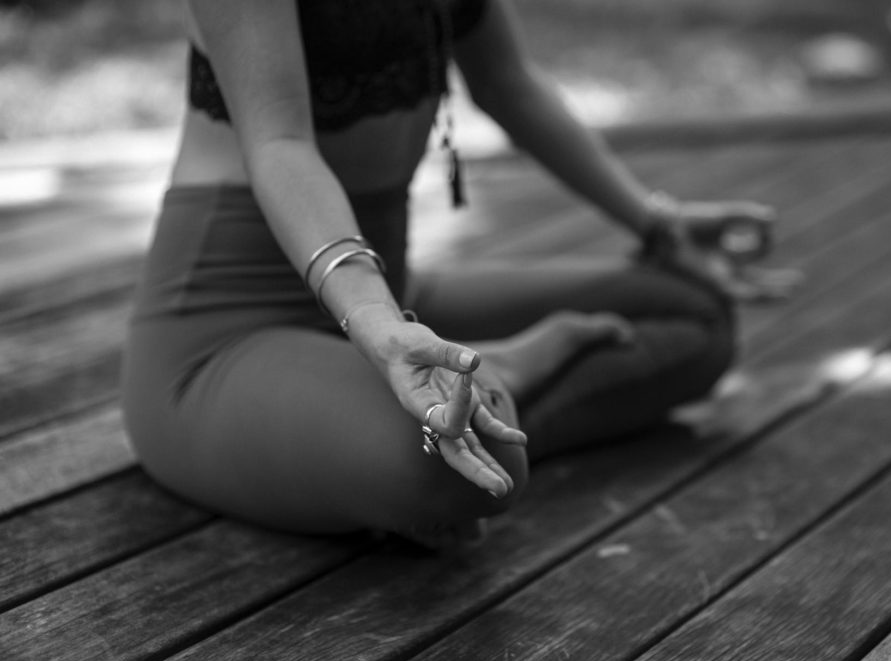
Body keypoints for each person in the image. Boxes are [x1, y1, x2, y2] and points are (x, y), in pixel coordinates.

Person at [120, 0, 796, 547]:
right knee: (461, 473)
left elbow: (508, 84)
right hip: (227, 334)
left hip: (396, 294)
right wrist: (381, 327)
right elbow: (279, 144)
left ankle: (483, 393)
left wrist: (655, 223)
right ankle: (495, 385)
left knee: (695, 313)